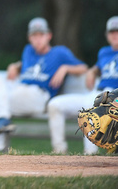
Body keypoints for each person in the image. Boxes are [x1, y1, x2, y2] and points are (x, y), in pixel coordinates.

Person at [0, 17, 88, 152]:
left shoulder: (59, 52)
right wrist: (15, 65)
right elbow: (29, 66)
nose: (38, 39)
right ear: (29, 38)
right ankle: (1, 126)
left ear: (49, 36)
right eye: (34, 35)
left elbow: (83, 68)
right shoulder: (28, 51)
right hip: (20, 91)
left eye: (41, 35)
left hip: (39, 95)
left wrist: (65, 68)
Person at [47, 15, 118, 154]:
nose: (115, 35)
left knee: (91, 107)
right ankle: (59, 151)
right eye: (112, 32)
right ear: (107, 35)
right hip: (98, 93)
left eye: (117, 31)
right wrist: (92, 71)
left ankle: (90, 153)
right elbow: (99, 68)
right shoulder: (104, 52)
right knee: (54, 105)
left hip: (113, 97)